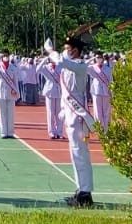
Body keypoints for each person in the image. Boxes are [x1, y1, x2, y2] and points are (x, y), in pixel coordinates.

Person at [46, 37, 95, 208]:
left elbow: (60, 61)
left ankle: (85, 193)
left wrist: (51, 52)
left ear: (75, 50)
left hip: (79, 118)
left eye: (68, 48)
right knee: (75, 155)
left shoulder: (80, 65)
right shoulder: (69, 67)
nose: (65, 51)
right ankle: (80, 189)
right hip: (71, 115)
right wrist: (63, 110)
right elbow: (65, 93)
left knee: (81, 155)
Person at [36, 53, 63, 139]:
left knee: (59, 113)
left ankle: (59, 132)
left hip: (59, 92)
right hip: (50, 91)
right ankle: (51, 132)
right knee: (51, 113)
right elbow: (37, 69)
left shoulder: (60, 67)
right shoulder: (46, 67)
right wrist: (44, 60)